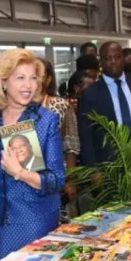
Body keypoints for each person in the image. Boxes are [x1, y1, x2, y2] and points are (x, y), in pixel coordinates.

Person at [0, 48, 65, 261]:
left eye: (33, 78)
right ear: (4, 82)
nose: (28, 86)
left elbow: (57, 179)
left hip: (34, 218)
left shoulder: (46, 120)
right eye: (20, 78)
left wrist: (20, 172)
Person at [78, 42, 131, 167]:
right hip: (109, 166)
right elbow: (86, 135)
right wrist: (92, 169)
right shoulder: (91, 94)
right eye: (107, 58)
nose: (113, 62)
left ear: (123, 58)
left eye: (117, 57)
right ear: (100, 62)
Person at [38, 58, 79, 218]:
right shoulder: (17, 107)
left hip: (57, 179)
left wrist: (70, 180)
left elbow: (71, 145)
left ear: (48, 79)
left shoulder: (61, 105)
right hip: (26, 182)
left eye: (38, 75)